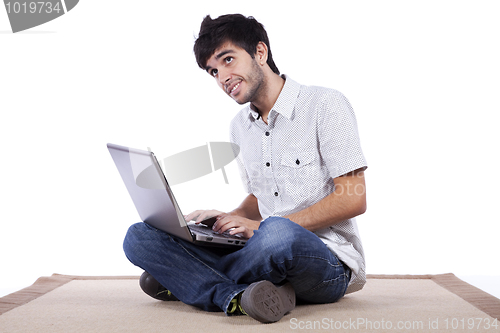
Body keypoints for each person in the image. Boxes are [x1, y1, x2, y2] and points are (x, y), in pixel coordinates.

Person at [123, 13, 368, 324]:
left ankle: (188, 282)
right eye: (213, 71)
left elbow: (353, 199)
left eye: (228, 60)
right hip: (261, 249)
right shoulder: (240, 127)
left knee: (277, 232)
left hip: (327, 260)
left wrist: (264, 227)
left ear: (260, 53)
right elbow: (259, 198)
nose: (222, 76)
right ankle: (234, 295)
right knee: (139, 236)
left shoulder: (324, 105)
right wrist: (232, 218)